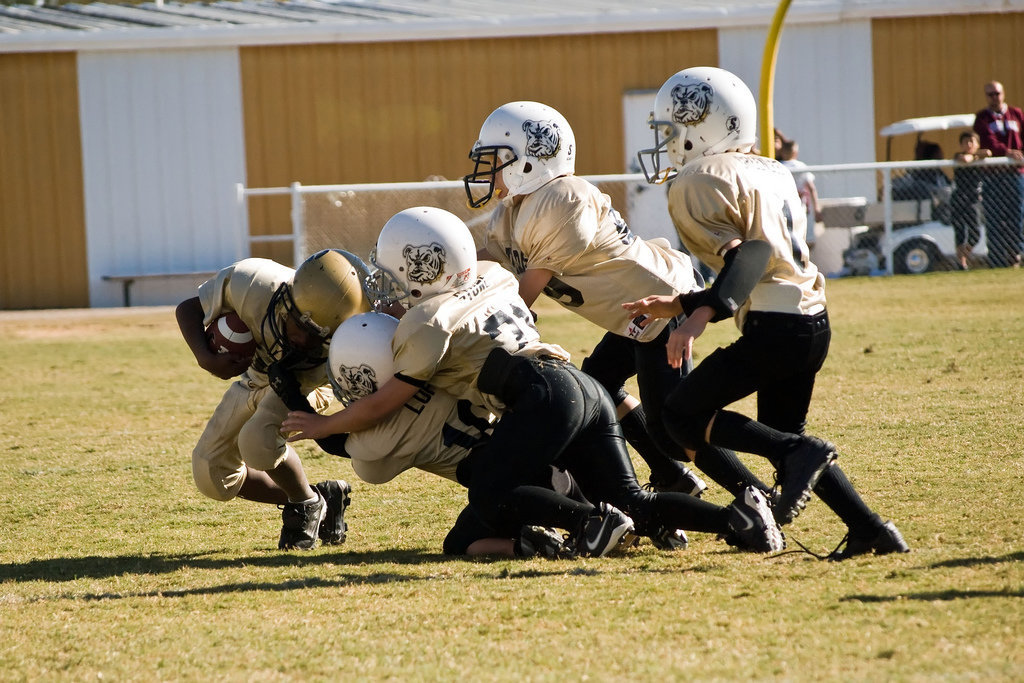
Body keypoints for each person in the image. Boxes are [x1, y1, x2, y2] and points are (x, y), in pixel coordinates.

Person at [282, 207, 784, 557]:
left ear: (421, 266)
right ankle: (739, 518)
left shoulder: (425, 324)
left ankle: (589, 524)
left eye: (395, 270)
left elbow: (383, 402)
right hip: (581, 386)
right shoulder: (492, 272)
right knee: (633, 499)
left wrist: (324, 424)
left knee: (491, 493)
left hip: (541, 395)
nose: (388, 284)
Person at [627, 66, 909, 560]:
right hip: (811, 322)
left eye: (672, 129)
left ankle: (788, 474)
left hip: (774, 328)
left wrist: (698, 316)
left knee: (679, 413)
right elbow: (765, 264)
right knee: (787, 442)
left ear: (702, 126)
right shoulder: (771, 169)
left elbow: (751, 256)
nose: (667, 141)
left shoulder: (698, 178)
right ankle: (871, 530)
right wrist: (680, 303)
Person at [463, 100, 772, 502]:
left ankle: (756, 492)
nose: (490, 170)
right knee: (601, 383)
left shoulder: (563, 198)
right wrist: (445, 275)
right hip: (633, 313)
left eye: (498, 159)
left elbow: (522, 296)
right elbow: (487, 267)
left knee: (678, 429)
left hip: (663, 305)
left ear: (530, 160)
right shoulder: (512, 210)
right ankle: (672, 477)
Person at [175, 249, 369, 550]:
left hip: (307, 386)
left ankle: (304, 505)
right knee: (210, 473)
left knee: (257, 441)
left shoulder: (352, 341)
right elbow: (188, 309)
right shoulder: (252, 284)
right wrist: (206, 359)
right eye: (301, 326)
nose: (304, 341)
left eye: (319, 335)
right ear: (288, 299)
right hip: (256, 376)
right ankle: (320, 498)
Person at [973, 79, 1024, 268]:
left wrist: (1018, 154)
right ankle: (996, 258)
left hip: (1015, 174)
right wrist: (1006, 152)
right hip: (993, 176)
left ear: (1003, 94)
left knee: (1016, 216)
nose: (994, 97)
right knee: (994, 218)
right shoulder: (983, 118)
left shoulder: (1016, 114)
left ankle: (1015, 255)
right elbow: (987, 139)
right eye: (990, 94)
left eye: (997, 93)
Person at [950, 131, 989, 270]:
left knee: (975, 233)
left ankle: (964, 256)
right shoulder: (958, 156)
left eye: (972, 142)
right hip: (959, 198)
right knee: (960, 231)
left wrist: (977, 155)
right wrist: (975, 157)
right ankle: (961, 263)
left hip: (974, 199)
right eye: (965, 142)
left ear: (977, 144)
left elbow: (988, 153)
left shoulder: (979, 157)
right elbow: (965, 160)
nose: (969, 145)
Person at [777, 139, 821, 248]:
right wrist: (816, 208)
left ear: (782, 152)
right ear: (795, 153)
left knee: (786, 239)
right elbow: (812, 188)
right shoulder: (801, 166)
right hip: (801, 207)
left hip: (782, 207)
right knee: (805, 238)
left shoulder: (778, 166)